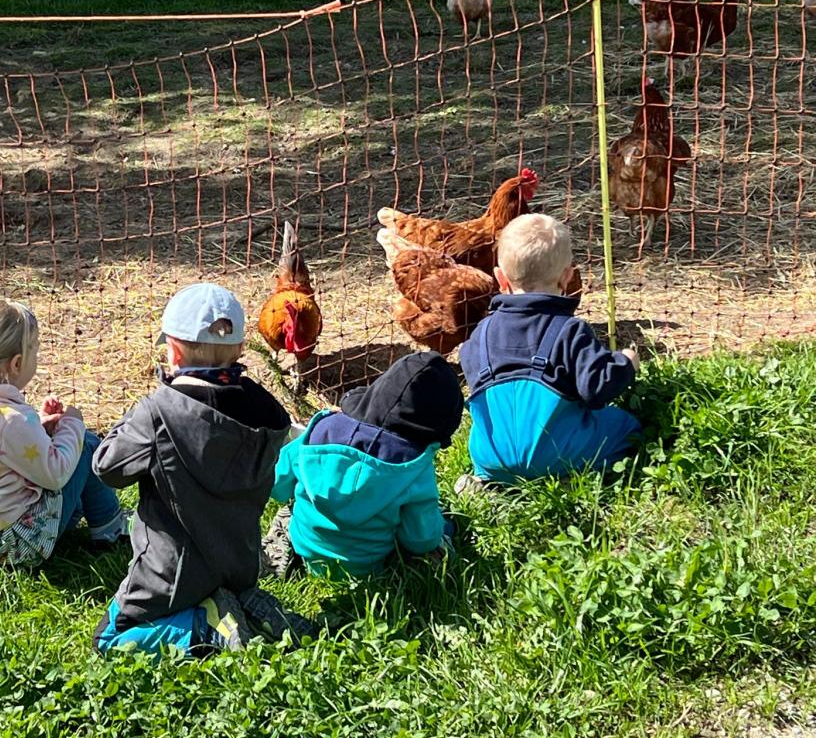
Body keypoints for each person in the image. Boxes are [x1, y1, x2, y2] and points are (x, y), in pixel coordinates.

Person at [92, 283, 314, 656]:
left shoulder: (157, 413)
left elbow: (107, 468)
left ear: (174, 351)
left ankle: (205, 628)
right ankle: (245, 606)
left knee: (108, 640)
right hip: (239, 567)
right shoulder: (267, 411)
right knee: (228, 589)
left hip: (171, 578)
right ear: (240, 349)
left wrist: (142, 410)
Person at [0, 294, 128, 567]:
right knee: (85, 445)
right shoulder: (12, 419)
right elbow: (55, 474)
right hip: (20, 543)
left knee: (74, 452)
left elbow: (2, 452)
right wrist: (72, 424)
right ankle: (111, 528)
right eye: (34, 351)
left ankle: (88, 516)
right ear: (16, 364)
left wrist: (39, 427)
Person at [456, 214, 640, 491]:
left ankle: (488, 483)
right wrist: (625, 364)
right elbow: (597, 390)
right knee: (625, 425)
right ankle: (569, 477)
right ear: (567, 277)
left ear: (500, 278)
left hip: (491, 455)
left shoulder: (479, 335)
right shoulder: (569, 330)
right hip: (555, 453)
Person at [265, 352, 462, 579]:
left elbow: (277, 485)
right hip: (369, 568)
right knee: (439, 536)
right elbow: (420, 539)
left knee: (290, 510)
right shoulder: (414, 467)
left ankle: (281, 550)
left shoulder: (319, 430)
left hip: (307, 548)